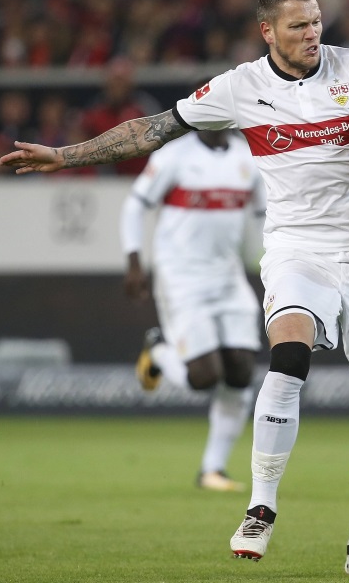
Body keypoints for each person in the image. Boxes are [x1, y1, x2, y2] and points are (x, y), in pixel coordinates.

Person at [1, 0, 349, 577]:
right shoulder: (239, 86)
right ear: (267, 31)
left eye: (317, 20)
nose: (312, 34)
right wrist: (65, 156)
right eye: (298, 25)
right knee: (288, 356)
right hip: (299, 250)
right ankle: (261, 506)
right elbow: (150, 129)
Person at [120, 127, 265, 493]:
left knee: (242, 371)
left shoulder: (246, 159)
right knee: (204, 377)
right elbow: (135, 204)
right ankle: (157, 352)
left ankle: (212, 469)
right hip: (181, 277)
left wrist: (273, 264)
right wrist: (134, 261)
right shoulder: (174, 156)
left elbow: (264, 216)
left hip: (229, 276)